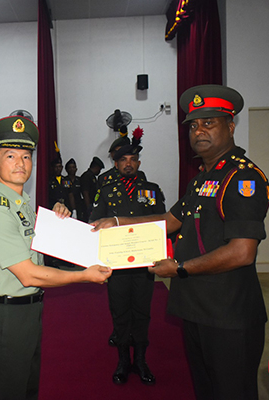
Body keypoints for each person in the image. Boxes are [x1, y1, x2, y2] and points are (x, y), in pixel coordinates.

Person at [92, 85, 269, 400]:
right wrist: (118, 222)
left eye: (209, 123)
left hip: (228, 313)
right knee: (206, 389)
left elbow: (242, 252)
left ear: (230, 126)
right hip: (197, 308)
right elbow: (169, 220)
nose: (199, 131)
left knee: (232, 391)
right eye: (193, 125)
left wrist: (180, 268)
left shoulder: (243, 178)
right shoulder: (202, 180)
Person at [0, 115, 112, 400]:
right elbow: (29, 274)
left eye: (26, 156)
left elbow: (41, 243)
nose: (20, 163)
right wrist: (84, 275)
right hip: (7, 316)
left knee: (27, 389)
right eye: (10, 156)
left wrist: (58, 217)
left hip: (28, 311)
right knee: (9, 392)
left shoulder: (21, 203)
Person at [89, 126, 166, 386]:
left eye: (133, 159)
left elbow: (162, 223)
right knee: (120, 312)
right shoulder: (106, 191)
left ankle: (141, 360)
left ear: (139, 163)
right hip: (117, 266)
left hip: (145, 266)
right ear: (116, 164)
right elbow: (93, 222)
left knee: (142, 313)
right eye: (123, 160)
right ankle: (123, 360)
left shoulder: (152, 190)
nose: (129, 164)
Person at [79, 156, 104, 222]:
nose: (99, 171)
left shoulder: (92, 176)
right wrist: (89, 207)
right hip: (87, 205)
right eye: (99, 169)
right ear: (96, 167)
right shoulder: (86, 176)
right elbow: (85, 193)